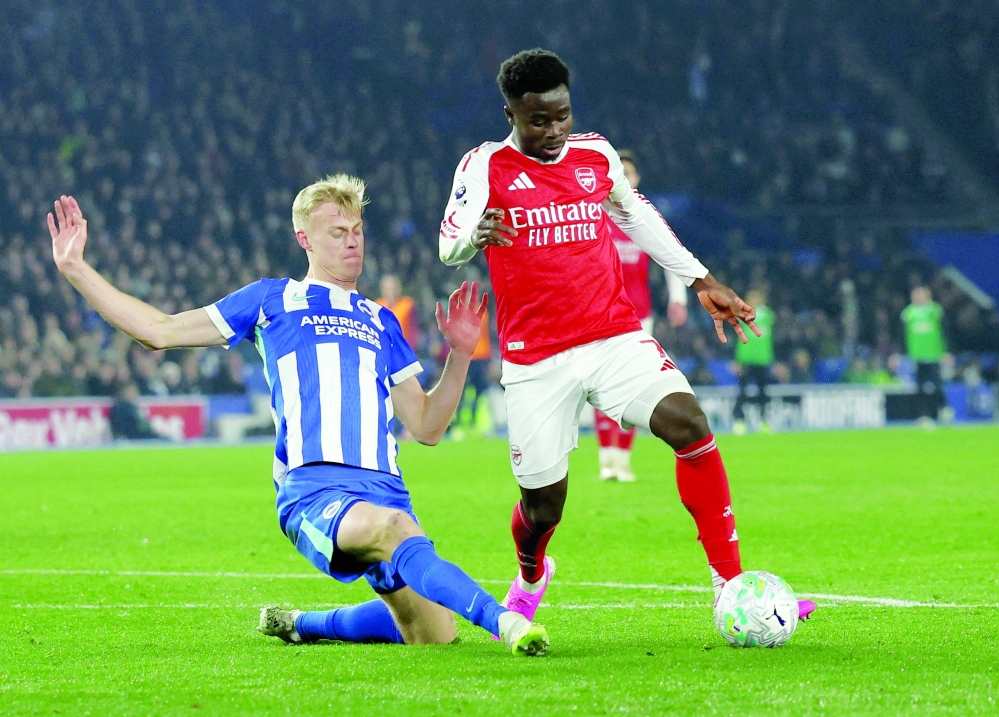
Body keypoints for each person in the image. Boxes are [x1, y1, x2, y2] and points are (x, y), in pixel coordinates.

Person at [48, 180, 548, 657]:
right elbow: (158, 330)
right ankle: (507, 622)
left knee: (432, 634)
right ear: (304, 239)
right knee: (395, 529)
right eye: (338, 232)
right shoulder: (271, 300)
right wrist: (75, 269)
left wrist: (459, 354)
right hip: (316, 491)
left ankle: (302, 623)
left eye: (357, 231)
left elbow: (427, 426)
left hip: (387, 490)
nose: (353, 242)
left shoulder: (381, 320)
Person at [439, 49, 815, 628]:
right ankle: (532, 572)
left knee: (690, 424)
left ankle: (730, 584)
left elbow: (635, 214)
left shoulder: (595, 153)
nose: (554, 130)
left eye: (562, 115)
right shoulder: (484, 166)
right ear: (510, 113)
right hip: (536, 358)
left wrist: (700, 279)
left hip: (612, 335)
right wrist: (473, 236)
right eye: (538, 120)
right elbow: (448, 245)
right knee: (543, 508)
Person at [595, 149, 690, 482]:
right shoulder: (596, 216)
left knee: (633, 387)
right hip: (600, 315)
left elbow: (669, 254)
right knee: (601, 386)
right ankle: (607, 460)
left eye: (629, 173)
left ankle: (622, 461)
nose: (624, 178)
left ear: (636, 179)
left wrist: (677, 298)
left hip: (639, 316)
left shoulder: (642, 217)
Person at [901, 286, 947, 427]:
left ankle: (944, 409)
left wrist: (946, 351)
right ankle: (924, 416)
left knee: (937, 384)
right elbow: (902, 335)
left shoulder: (935, 311)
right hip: (916, 357)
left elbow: (945, 331)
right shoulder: (908, 314)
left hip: (934, 355)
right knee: (920, 388)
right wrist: (902, 354)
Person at [732, 288, 775, 435]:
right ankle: (739, 421)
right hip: (746, 360)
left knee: (763, 393)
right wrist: (737, 360)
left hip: (763, 360)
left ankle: (764, 422)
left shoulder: (768, 315)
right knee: (742, 392)